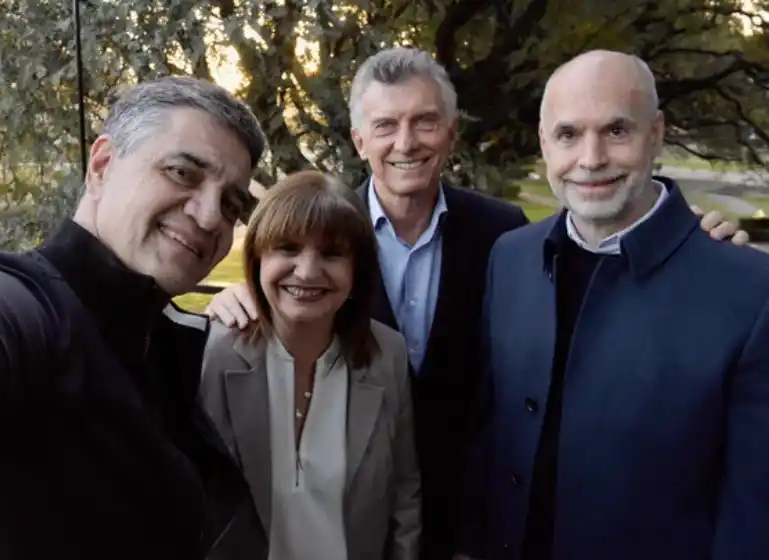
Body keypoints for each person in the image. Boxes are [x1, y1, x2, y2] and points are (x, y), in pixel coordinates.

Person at [202, 47, 749, 560]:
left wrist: (692, 247)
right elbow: (291, 282)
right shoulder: (325, 233)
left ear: (451, 132)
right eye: (386, 125)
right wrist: (250, 293)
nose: (407, 142)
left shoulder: (502, 235)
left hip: (470, 511)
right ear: (359, 139)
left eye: (425, 122)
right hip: (352, 509)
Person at [0, 77, 266, 559]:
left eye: (232, 203)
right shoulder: (22, 308)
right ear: (102, 165)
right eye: (182, 173)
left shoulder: (158, 343)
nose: (211, 216)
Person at [460, 50, 769, 560]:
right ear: (544, 142)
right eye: (567, 134)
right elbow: (491, 430)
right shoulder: (510, 257)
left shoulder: (749, 292)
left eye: (616, 131)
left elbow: (753, 517)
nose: (591, 158)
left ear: (656, 134)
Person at [200, 169, 421, 559]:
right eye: (287, 247)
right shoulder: (214, 353)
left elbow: (405, 496)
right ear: (257, 257)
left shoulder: (388, 354)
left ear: (358, 268)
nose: (307, 271)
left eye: (332, 253)